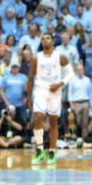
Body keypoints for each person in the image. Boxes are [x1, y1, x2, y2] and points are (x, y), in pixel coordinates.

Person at [27, 33, 73, 165]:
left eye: (47, 38)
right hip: (40, 90)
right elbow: (30, 78)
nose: (45, 40)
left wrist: (60, 84)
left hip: (55, 91)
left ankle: (52, 151)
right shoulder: (36, 58)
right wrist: (29, 97)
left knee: (53, 121)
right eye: (43, 39)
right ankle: (40, 150)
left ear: (53, 42)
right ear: (41, 43)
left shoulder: (60, 56)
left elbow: (71, 74)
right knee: (38, 116)